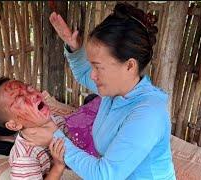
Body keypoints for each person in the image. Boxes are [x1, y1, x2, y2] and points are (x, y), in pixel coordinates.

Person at [21, 2, 176, 180]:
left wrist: (55, 138)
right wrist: (73, 46)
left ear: (129, 66)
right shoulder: (118, 92)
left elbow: (104, 175)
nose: (93, 75)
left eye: (98, 67)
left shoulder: (148, 114)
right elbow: (84, 73)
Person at [0, 77, 101, 179]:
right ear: (14, 125)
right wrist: (58, 166)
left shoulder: (54, 120)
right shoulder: (25, 159)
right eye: (21, 99)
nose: (34, 95)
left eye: (29, 88)